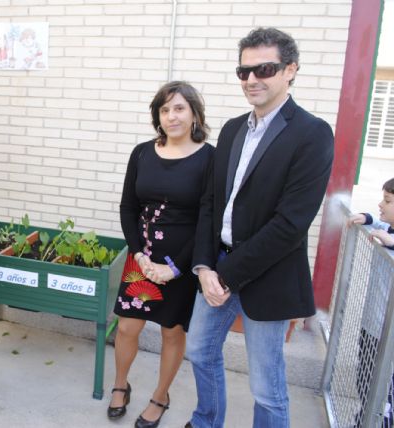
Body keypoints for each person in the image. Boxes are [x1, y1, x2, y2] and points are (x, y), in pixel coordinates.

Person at [185, 27, 334, 428]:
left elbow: (290, 224)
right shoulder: (233, 128)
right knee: (199, 351)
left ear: (290, 70)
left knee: (266, 388)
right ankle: (206, 420)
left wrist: (226, 277)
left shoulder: (312, 134)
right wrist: (203, 267)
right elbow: (211, 203)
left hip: (267, 274)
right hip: (217, 266)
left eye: (264, 68)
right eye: (243, 71)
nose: (251, 79)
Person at [109, 81, 214, 428]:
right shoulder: (142, 152)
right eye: (165, 109)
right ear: (158, 115)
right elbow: (128, 207)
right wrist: (139, 256)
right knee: (126, 328)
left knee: (172, 331)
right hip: (142, 259)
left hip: (180, 265)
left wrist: (175, 268)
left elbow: (206, 219)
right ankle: (120, 385)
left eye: (180, 108)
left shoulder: (210, 159)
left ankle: (161, 395)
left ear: (195, 114)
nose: (172, 116)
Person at [348, 177, 394, 428]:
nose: (380, 204)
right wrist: (365, 217)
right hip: (371, 327)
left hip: (388, 337)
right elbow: (377, 221)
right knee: (365, 383)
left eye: (387, 201)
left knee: (385, 393)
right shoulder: (388, 229)